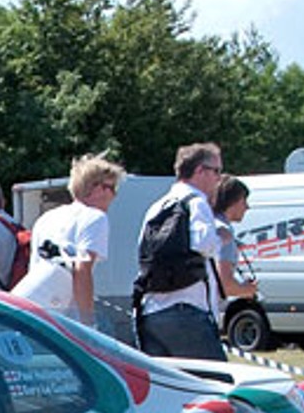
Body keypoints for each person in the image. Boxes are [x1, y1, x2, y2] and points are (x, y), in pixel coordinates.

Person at [134, 142, 227, 360]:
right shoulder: (196, 202)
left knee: (169, 390)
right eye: (216, 171)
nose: (219, 178)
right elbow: (204, 245)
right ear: (199, 171)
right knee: (214, 386)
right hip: (188, 311)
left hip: (152, 312)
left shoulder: (158, 206)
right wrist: (221, 238)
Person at [14, 154, 124, 325]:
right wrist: (88, 322)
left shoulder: (47, 218)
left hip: (34, 310)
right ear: (97, 189)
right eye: (112, 188)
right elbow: (82, 270)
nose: (114, 195)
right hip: (65, 319)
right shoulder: (95, 218)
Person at [211, 174, 259, 312]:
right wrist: (248, 290)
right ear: (233, 201)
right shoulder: (223, 232)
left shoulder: (207, 224)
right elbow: (225, 284)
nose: (247, 207)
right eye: (244, 201)